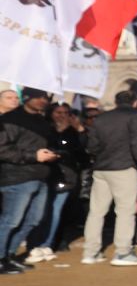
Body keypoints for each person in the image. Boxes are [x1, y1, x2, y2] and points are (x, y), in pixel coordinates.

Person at [83, 90, 137, 266]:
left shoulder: (100, 118)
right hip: (124, 167)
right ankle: (123, 252)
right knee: (125, 211)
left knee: (96, 211)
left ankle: (90, 252)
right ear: (135, 102)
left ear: (115, 101)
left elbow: (92, 146)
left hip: (101, 168)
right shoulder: (135, 115)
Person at [0, 89, 59, 273]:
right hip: (17, 177)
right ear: (27, 98)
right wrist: (33, 156)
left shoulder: (42, 121)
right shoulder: (10, 119)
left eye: (45, 97)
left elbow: (47, 144)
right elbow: (2, 149)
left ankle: (9, 255)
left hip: (40, 175)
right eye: (39, 97)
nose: (43, 100)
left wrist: (53, 153)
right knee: (11, 220)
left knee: (33, 220)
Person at [25, 103, 88, 262]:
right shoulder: (45, 128)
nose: (62, 115)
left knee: (55, 210)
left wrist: (79, 130)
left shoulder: (74, 132)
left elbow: (84, 153)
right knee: (39, 211)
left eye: (65, 112)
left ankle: (47, 243)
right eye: (58, 112)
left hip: (66, 176)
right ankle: (35, 243)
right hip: (44, 174)